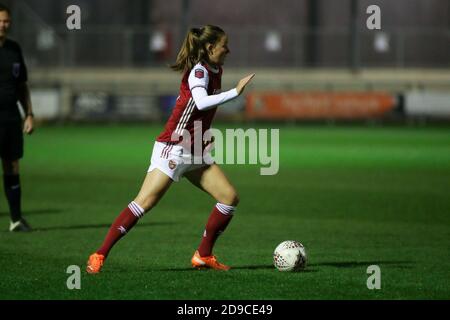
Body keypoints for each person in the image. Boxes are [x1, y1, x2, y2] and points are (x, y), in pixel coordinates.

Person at [87, 25, 254, 273]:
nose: (228, 49)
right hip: (174, 147)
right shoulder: (199, 71)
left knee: (229, 198)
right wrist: (235, 92)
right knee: (143, 203)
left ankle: (203, 255)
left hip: (195, 148)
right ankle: (99, 254)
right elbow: (201, 102)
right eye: (224, 44)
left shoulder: (215, 69)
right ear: (210, 47)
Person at [0, 3, 34, 232]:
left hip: (11, 117)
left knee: (12, 166)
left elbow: (22, 85)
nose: (3, 25)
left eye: (6, 21)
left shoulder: (14, 49)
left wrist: (29, 114)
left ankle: (15, 220)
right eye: (0, 21)